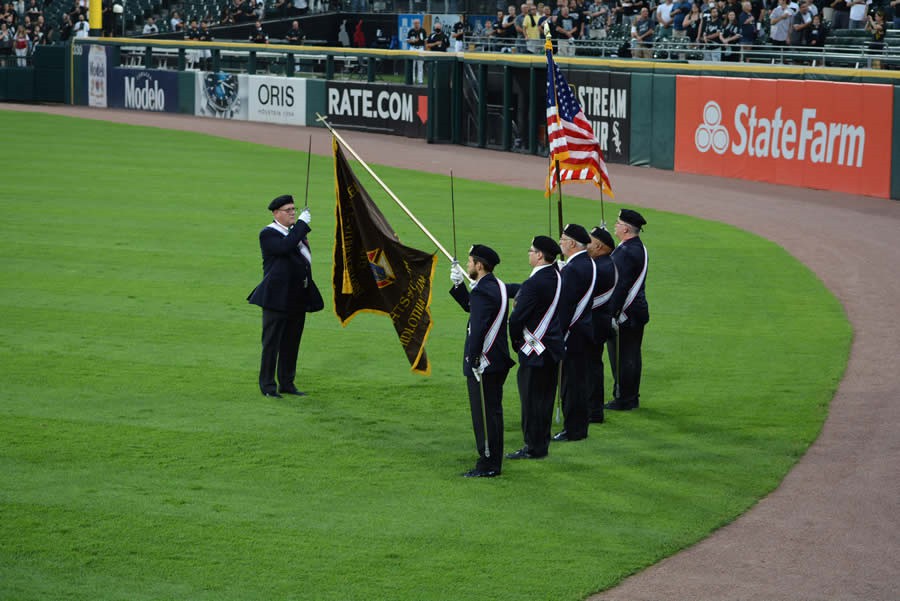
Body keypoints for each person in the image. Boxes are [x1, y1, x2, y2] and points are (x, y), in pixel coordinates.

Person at [247, 195, 323, 399]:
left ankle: (287, 383)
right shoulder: (268, 234)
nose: (292, 212)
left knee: (291, 343)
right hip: (276, 299)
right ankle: (268, 386)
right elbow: (285, 247)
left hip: (297, 297)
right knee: (272, 344)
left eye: (293, 209)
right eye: (287, 209)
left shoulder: (293, 233)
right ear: (276, 213)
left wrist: (299, 227)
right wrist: (301, 225)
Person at [449, 245, 514, 478]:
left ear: (479, 265)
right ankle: (493, 459)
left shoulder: (482, 291)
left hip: (484, 363)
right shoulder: (495, 286)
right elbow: (473, 308)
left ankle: (488, 464)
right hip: (497, 360)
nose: (467, 266)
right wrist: (459, 287)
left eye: (469, 262)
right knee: (493, 411)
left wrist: (474, 358)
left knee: (484, 414)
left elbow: (476, 329)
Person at [507, 236, 564, 460]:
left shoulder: (535, 282)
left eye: (531, 250)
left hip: (534, 351)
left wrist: (516, 342)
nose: (529, 253)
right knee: (546, 400)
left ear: (540, 255)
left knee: (531, 401)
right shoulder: (556, 275)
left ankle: (532, 447)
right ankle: (542, 444)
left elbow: (516, 319)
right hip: (552, 349)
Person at [553, 224, 596, 442]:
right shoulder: (587, 263)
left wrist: (558, 335)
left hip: (572, 334)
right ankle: (579, 426)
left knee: (571, 385)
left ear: (571, 243)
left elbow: (565, 306)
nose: (560, 242)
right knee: (579, 381)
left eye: (563, 239)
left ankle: (573, 429)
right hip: (584, 332)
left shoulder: (573, 268)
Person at [606, 209, 649, 411]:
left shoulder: (626, 252)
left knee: (624, 356)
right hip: (636, 311)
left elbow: (619, 286)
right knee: (631, 354)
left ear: (625, 228)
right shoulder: (636, 247)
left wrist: (611, 314)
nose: (615, 225)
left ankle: (624, 398)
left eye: (617, 223)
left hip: (626, 313)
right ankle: (630, 396)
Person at [586, 226, 617, 424]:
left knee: (590, 369)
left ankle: (593, 411)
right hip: (598, 322)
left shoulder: (601, 267)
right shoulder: (602, 263)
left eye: (589, 241)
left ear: (598, 245)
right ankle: (593, 410)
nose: (585, 244)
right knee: (592, 367)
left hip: (594, 324)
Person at [406, 18, 425, 83]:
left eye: (417, 23)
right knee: (412, 65)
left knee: (420, 65)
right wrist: (413, 40)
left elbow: (425, 40)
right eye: (415, 23)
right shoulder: (411, 31)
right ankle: (413, 80)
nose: (416, 24)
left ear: (419, 23)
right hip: (413, 48)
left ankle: (420, 81)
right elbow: (407, 40)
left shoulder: (423, 31)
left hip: (420, 48)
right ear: (413, 24)